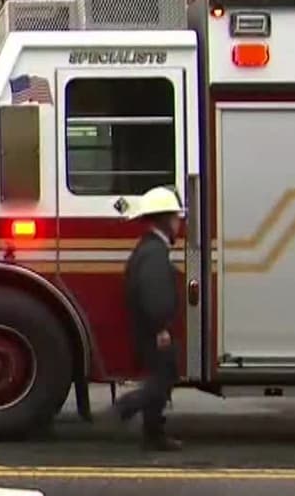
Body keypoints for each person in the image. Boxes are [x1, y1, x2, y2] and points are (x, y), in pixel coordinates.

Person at [111, 185, 184, 451]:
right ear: (165, 220)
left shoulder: (149, 248)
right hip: (153, 329)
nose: (179, 224)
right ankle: (125, 407)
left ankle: (153, 434)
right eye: (176, 218)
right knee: (163, 379)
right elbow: (155, 293)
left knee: (161, 377)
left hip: (148, 329)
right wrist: (161, 327)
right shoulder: (154, 252)